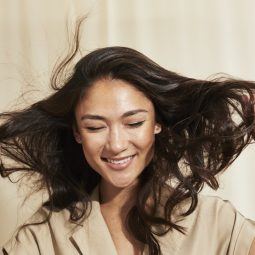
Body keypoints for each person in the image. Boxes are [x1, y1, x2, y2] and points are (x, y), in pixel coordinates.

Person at [0, 42, 255, 254]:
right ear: (77, 132)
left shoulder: (216, 223)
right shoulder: (45, 236)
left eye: (134, 122)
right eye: (95, 127)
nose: (116, 145)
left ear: (157, 123)